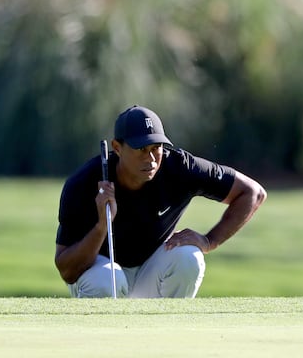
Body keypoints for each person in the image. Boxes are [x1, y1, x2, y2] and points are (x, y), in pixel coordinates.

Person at [55, 105, 267, 298]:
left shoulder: (181, 167)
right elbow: (67, 270)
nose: (151, 158)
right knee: (107, 281)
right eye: (141, 149)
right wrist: (102, 226)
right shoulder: (84, 183)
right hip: (100, 273)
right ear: (117, 148)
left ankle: (167, 336)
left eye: (156, 147)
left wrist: (209, 241)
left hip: (151, 270)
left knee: (189, 258)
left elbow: (253, 193)